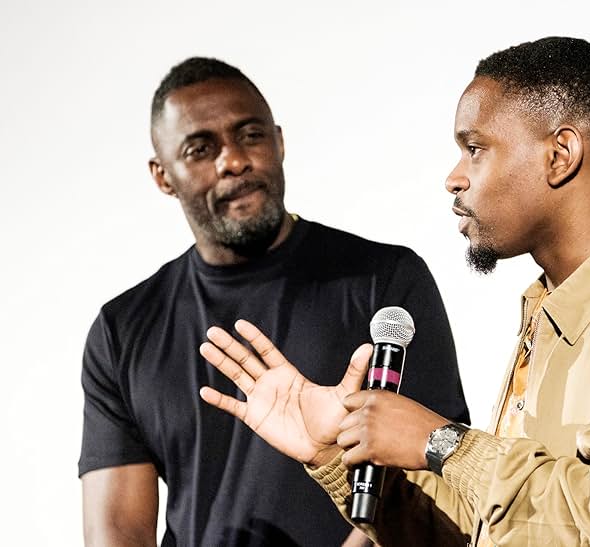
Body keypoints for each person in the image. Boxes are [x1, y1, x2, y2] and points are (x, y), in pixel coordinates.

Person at [199, 37, 590, 546]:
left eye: (476, 148)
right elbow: (497, 532)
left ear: (560, 156)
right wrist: (334, 457)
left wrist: (442, 443)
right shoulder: (551, 313)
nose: (455, 177)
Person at [78, 57, 471, 547]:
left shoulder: (383, 280)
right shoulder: (123, 328)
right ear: (163, 175)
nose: (234, 161)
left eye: (250, 136)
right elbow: (116, 529)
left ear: (279, 142)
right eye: (201, 148)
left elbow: (433, 478)